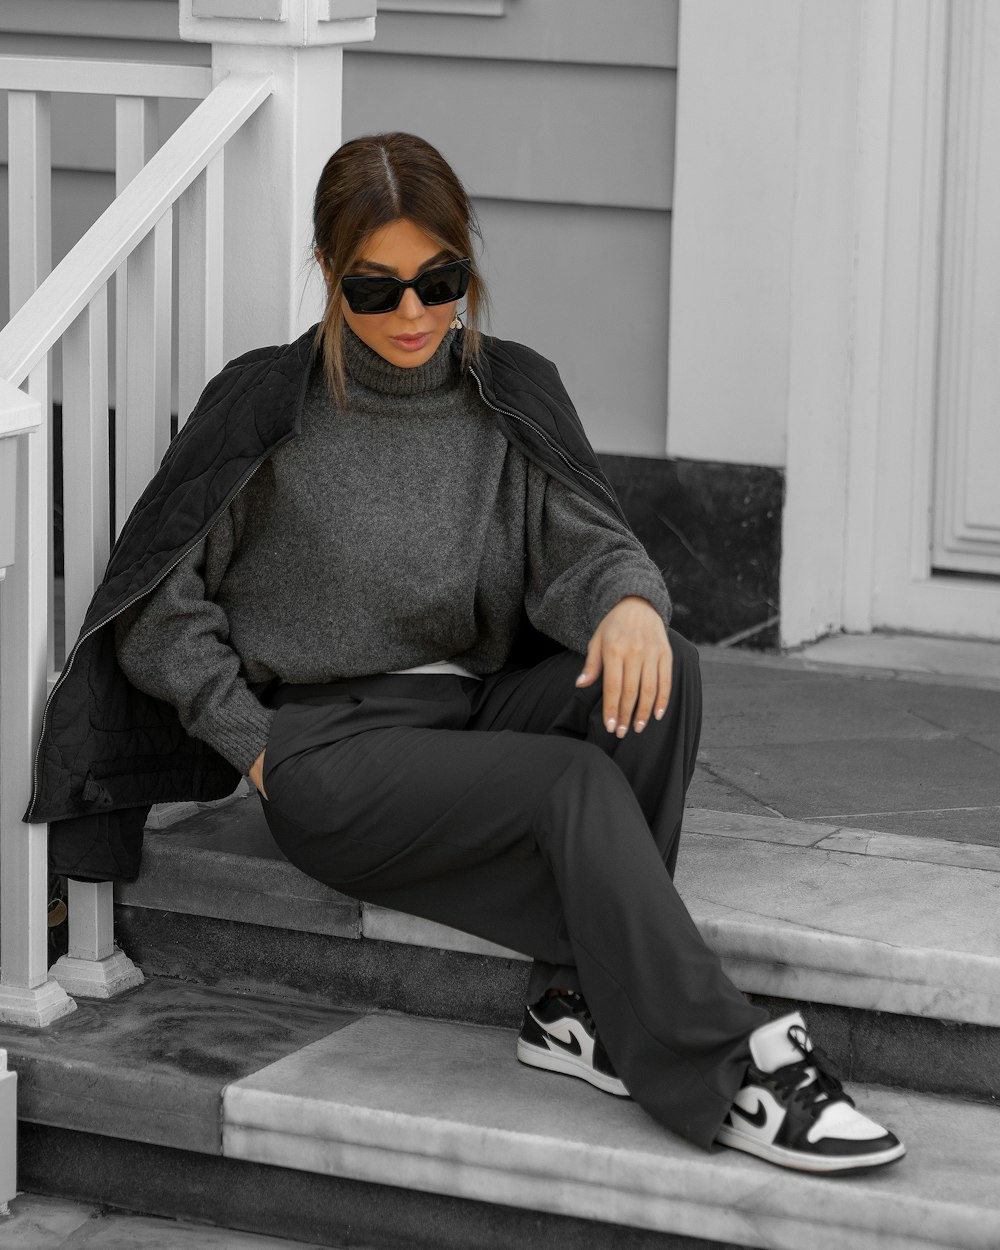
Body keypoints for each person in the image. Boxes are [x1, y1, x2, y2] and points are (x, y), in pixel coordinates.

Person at [32, 132, 904, 1175]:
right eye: (378, 287)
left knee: (661, 667)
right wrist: (250, 739)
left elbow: (585, 551)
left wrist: (627, 603)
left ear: (465, 269)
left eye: (439, 281)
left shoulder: (505, 394)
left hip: (470, 718)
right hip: (327, 750)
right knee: (571, 787)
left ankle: (572, 1002)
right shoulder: (268, 404)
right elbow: (154, 607)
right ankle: (723, 1066)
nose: (413, 314)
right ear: (329, 275)